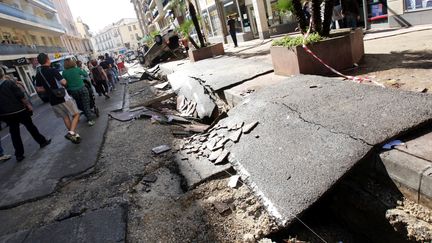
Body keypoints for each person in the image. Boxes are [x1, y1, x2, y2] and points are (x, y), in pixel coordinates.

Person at [0, 68, 51, 161]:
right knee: (30, 127)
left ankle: (19, 154)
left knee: (14, 133)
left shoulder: (8, 83)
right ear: (2, 74)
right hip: (19, 110)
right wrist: (28, 105)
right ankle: (42, 141)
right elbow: (20, 95)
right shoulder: (9, 83)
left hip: (6, 114)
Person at [35, 53, 81, 144]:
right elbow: (63, 82)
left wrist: (48, 89)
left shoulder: (38, 74)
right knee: (76, 114)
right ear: (47, 59)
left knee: (65, 117)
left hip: (52, 100)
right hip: (62, 97)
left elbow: (38, 89)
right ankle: (71, 133)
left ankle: (74, 137)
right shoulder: (53, 70)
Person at [62, 59, 96, 126]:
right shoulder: (77, 69)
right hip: (82, 88)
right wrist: (82, 69)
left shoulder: (64, 72)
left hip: (73, 91)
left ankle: (85, 113)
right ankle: (90, 120)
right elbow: (86, 74)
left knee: (79, 103)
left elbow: (64, 82)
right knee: (86, 104)